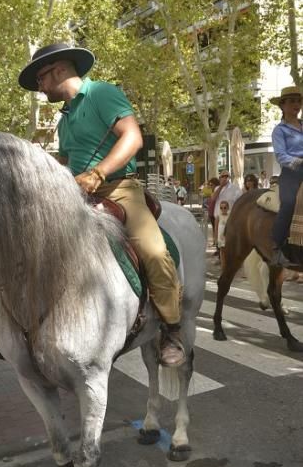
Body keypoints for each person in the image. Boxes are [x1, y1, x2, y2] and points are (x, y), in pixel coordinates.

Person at [18, 42, 185, 367]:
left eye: (41, 78)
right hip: (76, 195)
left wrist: (98, 173)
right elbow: (67, 161)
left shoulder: (101, 94)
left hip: (119, 188)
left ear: (61, 70)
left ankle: (171, 329)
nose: (40, 87)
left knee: (153, 251)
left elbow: (132, 137)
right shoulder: (64, 119)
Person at [269, 86, 303, 265]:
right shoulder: (279, 130)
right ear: (282, 106)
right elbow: (281, 155)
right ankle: (276, 246)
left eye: (298, 100)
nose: (296, 104)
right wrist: (298, 161)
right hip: (292, 173)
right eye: (291, 101)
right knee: (289, 202)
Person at [213, 170, 242, 247]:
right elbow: (213, 199)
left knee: (229, 237)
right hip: (219, 216)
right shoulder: (217, 188)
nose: (225, 178)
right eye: (223, 176)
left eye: (227, 176)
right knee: (219, 236)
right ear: (220, 178)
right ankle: (219, 251)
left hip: (230, 216)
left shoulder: (235, 188)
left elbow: (239, 202)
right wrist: (221, 186)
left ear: (229, 178)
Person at [216, 200, 230, 266]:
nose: (223, 209)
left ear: (227, 208)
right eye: (221, 208)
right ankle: (223, 266)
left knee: (228, 252)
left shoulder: (230, 216)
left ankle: (228, 266)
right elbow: (216, 228)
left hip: (227, 237)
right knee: (222, 252)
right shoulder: (218, 216)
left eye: (225, 208)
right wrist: (215, 237)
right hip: (220, 237)